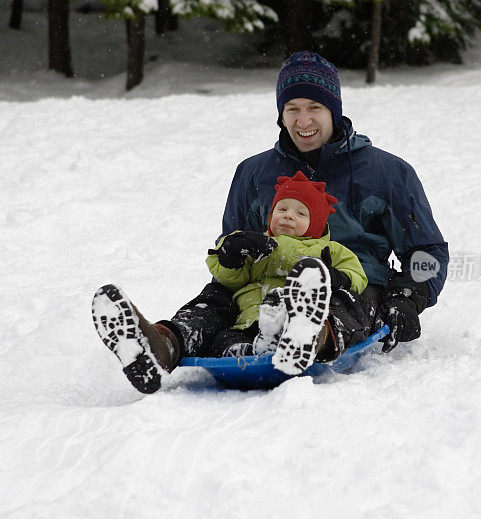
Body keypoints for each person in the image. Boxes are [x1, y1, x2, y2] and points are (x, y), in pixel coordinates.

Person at [92, 51, 448, 394]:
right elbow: (228, 244)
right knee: (216, 300)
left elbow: (427, 250)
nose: (303, 121)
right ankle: (163, 344)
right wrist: (232, 251)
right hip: (259, 279)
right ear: (280, 114)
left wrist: (409, 294)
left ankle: (312, 334)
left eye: (314, 108)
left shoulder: (387, 172)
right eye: (292, 109)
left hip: (351, 283)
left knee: (345, 299)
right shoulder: (253, 173)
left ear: (334, 111)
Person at [206, 170, 368, 376]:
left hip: (300, 320)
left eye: (301, 213)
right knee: (224, 339)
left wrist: (334, 276)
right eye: (282, 209)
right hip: (250, 320)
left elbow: (357, 276)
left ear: (316, 224)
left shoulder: (331, 250)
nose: (288, 215)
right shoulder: (258, 245)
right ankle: (249, 351)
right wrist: (232, 254)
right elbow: (232, 279)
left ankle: (310, 338)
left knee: (347, 303)